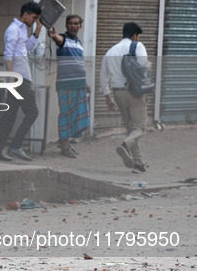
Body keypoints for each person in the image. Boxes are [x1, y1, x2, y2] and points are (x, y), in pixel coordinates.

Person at [0, 1, 42, 162]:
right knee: (32, 112)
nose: (34, 20)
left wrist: (37, 32)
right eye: (33, 17)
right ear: (25, 15)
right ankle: (15, 147)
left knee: (9, 116)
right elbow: (8, 54)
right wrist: (11, 77)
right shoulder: (13, 30)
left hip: (21, 76)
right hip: (18, 78)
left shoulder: (23, 29)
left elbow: (28, 48)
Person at [100, 22, 150, 174]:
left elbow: (103, 77)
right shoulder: (137, 46)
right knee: (140, 128)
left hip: (118, 93)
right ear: (135, 35)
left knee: (131, 129)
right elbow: (144, 66)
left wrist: (108, 98)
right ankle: (124, 145)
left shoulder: (110, 51)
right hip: (134, 91)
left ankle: (138, 164)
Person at [48, 14, 90, 158]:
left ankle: (66, 143)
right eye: (70, 23)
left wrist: (86, 84)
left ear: (80, 26)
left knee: (77, 114)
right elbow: (58, 40)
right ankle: (64, 147)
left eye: (76, 23)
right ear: (66, 26)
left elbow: (79, 64)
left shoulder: (78, 43)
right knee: (66, 114)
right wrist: (53, 36)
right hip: (66, 84)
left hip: (79, 84)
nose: (73, 26)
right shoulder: (63, 39)